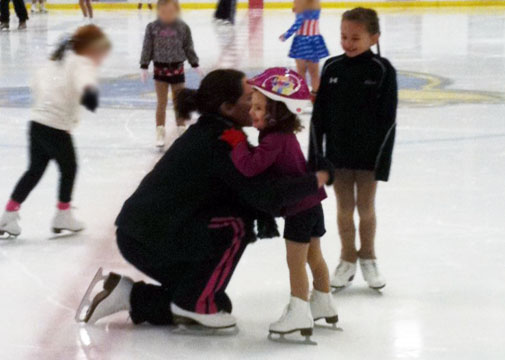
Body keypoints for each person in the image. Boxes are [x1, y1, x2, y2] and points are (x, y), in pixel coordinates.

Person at [76, 69, 333, 330]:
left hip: (148, 234)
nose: (257, 100)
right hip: (151, 238)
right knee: (236, 227)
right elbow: (265, 196)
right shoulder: (221, 141)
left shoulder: (217, 130)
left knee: (216, 302)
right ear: (228, 108)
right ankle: (194, 304)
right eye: (249, 99)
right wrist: (314, 181)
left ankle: (127, 295)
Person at [220, 68, 337, 338]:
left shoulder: (273, 139)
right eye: (253, 104)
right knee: (313, 256)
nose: (251, 111)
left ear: (277, 112)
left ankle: (299, 312)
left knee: (295, 261)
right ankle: (323, 300)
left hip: (299, 209)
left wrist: (238, 143)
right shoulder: (283, 136)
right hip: (312, 205)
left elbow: (250, 167)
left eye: (259, 107)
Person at [309, 7, 398, 291]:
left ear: (374, 38)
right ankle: (347, 258)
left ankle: (368, 257)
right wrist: (317, 159)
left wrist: (382, 162)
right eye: (344, 36)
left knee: (366, 208)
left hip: (369, 158)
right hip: (339, 156)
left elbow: (388, 120)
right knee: (344, 209)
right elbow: (318, 117)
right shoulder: (332, 68)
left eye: (355, 37)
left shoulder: (383, 71)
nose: (348, 43)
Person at [0, 25, 111, 239]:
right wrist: (89, 94)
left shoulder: (53, 62)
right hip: (55, 126)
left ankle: (8, 215)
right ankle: (63, 213)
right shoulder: (80, 62)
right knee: (69, 167)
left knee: (34, 170)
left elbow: (36, 84)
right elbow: (84, 83)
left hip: (37, 123)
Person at [140, 0, 200, 148]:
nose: (166, 15)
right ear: (158, 11)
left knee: (179, 101)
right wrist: (144, 65)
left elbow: (188, 46)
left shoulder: (183, 27)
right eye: (163, 11)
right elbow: (147, 47)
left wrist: (194, 63)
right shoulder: (152, 27)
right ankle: (160, 130)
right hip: (160, 70)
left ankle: (181, 129)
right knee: (162, 102)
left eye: (170, 11)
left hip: (177, 69)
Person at [279, 0, 329, 102]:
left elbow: (298, 23)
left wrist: (285, 35)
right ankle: (316, 96)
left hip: (302, 41)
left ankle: (302, 95)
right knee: (314, 73)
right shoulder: (316, 3)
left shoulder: (300, 2)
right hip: (314, 40)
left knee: (301, 71)